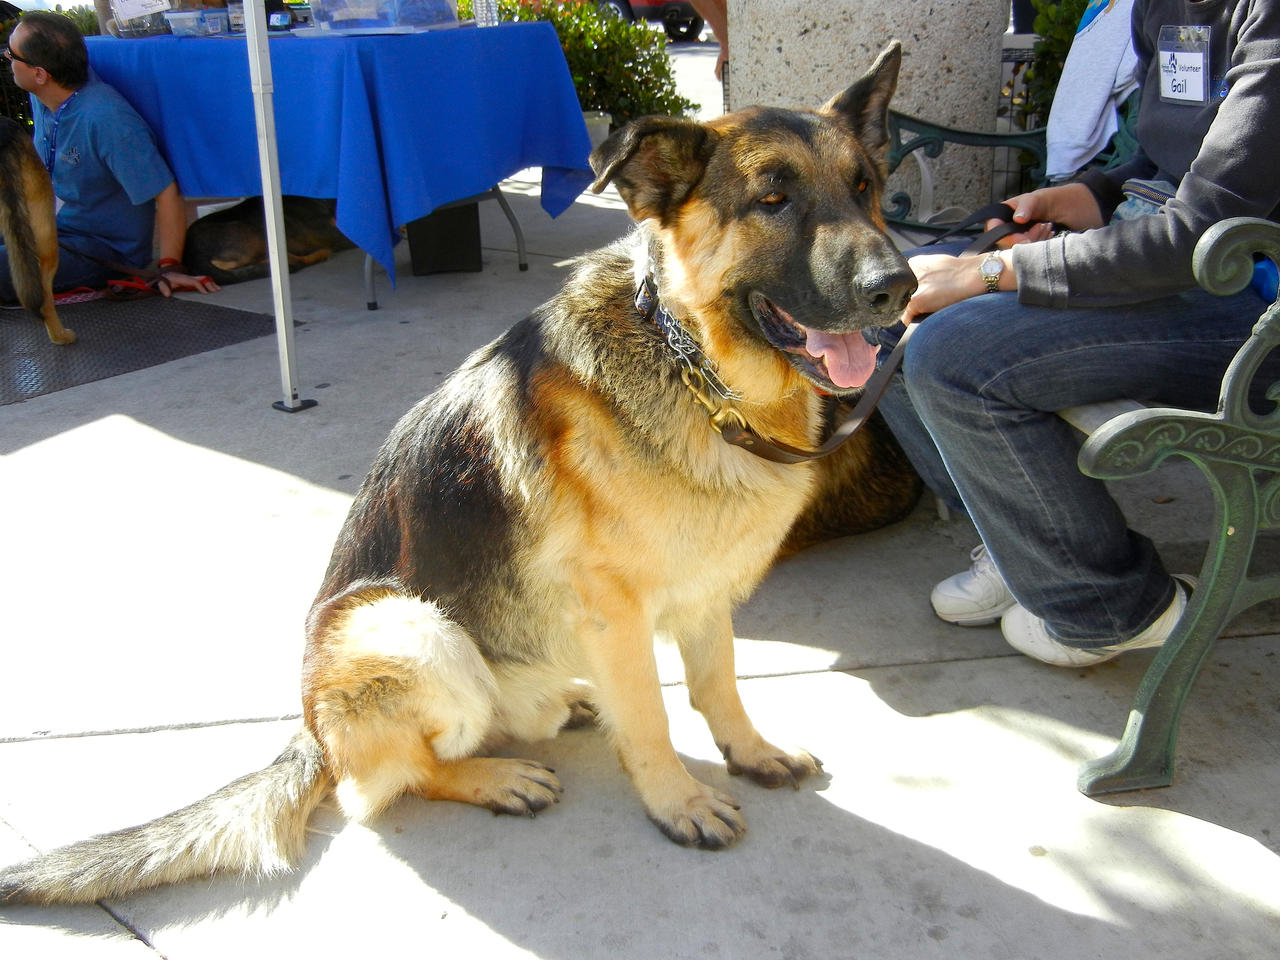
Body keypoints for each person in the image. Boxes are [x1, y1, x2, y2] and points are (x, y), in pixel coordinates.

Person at [871, 0, 1280, 667]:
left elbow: (1200, 232)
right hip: (1188, 269)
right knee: (894, 314)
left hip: (1258, 304)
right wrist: (1083, 196)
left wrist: (995, 271)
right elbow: (1160, 164)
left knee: (956, 357)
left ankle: (1115, 608)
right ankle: (1024, 552)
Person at [1, 11, 217, 301]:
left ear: (40, 74)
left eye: (12, 54)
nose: (6, 57)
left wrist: (169, 267)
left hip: (100, 249)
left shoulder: (107, 119)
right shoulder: (43, 94)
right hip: (51, 225)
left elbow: (165, 193)